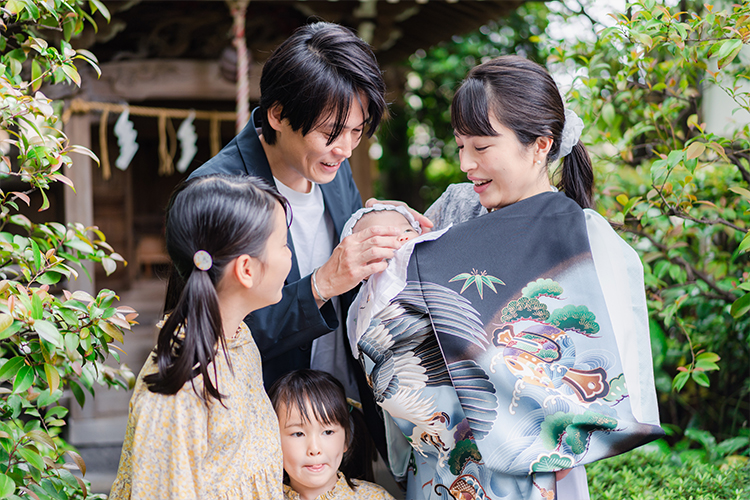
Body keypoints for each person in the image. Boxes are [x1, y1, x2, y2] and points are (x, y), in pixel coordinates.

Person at [356, 56, 663, 500]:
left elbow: (609, 375)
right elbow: (388, 329)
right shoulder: (454, 211)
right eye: (460, 146)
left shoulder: (588, 238)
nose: (465, 163)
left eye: (480, 148)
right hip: (444, 465)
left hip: (538, 471)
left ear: (540, 144)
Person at [186, 22, 420, 468]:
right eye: (332, 131)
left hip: (341, 417)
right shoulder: (214, 192)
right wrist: (321, 283)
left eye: (357, 131)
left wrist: (380, 228)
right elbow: (212, 336)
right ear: (277, 114)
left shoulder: (332, 167)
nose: (347, 148)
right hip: (264, 427)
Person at [109, 174, 291, 499]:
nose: (289, 257)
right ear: (246, 269)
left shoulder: (239, 339)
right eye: (283, 245)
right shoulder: (176, 387)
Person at [269, 369, 397, 500]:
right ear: (273, 441)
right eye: (298, 434)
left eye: (328, 432)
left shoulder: (375, 497)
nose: (314, 449)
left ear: (346, 438)